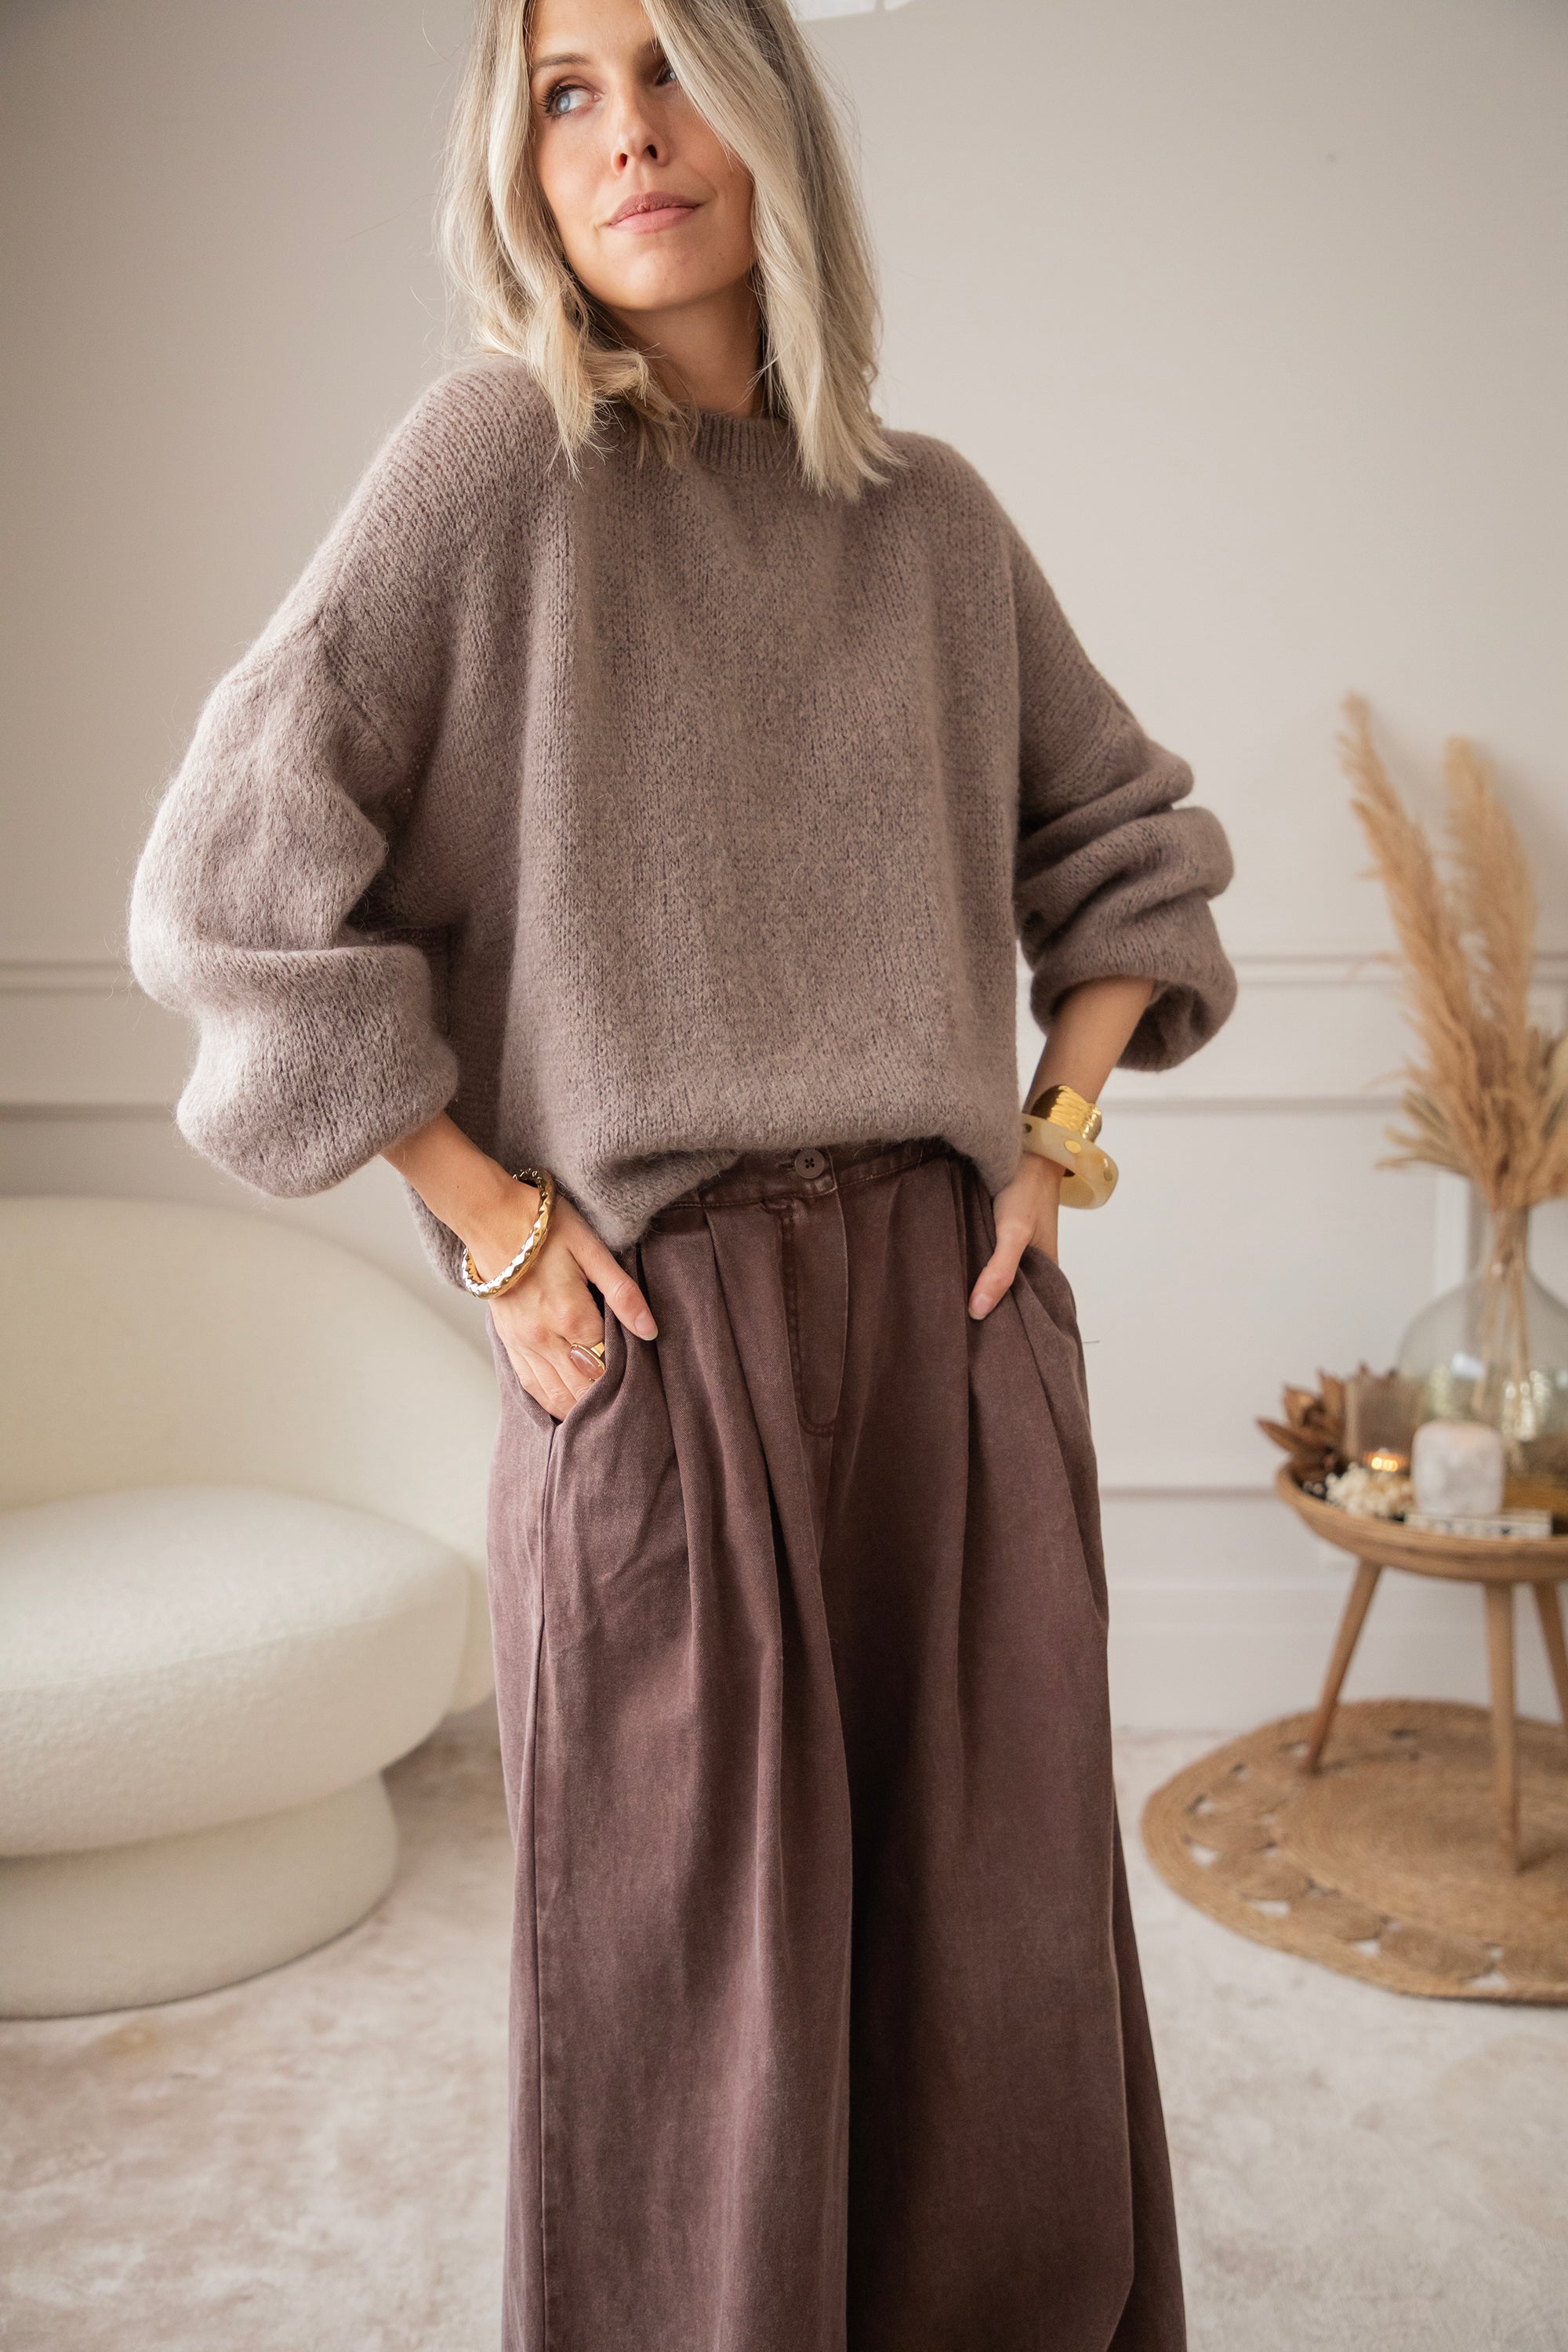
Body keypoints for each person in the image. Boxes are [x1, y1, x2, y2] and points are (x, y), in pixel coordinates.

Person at [128, 1, 1239, 2344]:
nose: (628, 134)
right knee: (688, 2055)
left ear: (771, 112)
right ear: (519, 164)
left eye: (670, 68)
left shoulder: (933, 523)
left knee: (998, 2000)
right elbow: (224, 887)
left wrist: (1055, 1137)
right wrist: (492, 1218)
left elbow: (1131, 849)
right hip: (657, 1336)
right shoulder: (492, 471)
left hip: (947, 1330)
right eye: (566, 93)